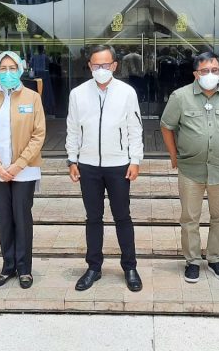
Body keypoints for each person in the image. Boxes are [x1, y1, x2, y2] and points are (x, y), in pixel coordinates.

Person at [160, 51, 219, 283]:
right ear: (196, 74)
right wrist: (173, 156)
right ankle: (193, 261)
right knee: (190, 217)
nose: (211, 74)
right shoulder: (180, 97)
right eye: (205, 71)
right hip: (191, 169)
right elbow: (166, 126)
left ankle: (216, 259)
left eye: (215, 70)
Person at [66, 44, 144, 292]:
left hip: (119, 165)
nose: (101, 69)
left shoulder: (127, 92)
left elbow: (135, 128)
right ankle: (93, 268)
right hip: (88, 166)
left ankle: (129, 267)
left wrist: (135, 160)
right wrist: (72, 159)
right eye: (96, 65)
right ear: (89, 66)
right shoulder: (77, 94)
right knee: (93, 218)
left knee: (123, 217)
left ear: (114, 66)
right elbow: (72, 129)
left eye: (106, 65)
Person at [0, 51, 45, 289]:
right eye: (3, 68)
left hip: (24, 170)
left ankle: (24, 268)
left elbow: (38, 135)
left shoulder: (32, 97)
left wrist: (17, 165)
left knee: (22, 218)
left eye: (12, 68)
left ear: (21, 69)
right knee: (4, 219)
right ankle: (8, 266)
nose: (7, 72)